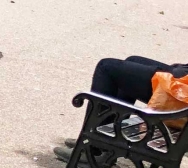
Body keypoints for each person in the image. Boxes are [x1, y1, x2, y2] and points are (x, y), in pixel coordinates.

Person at [53, 56, 188, 161]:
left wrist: (177, 73)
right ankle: (107, 141)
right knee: (132, 61)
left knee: (106, 67)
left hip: (181, 97)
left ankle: (93, 149)